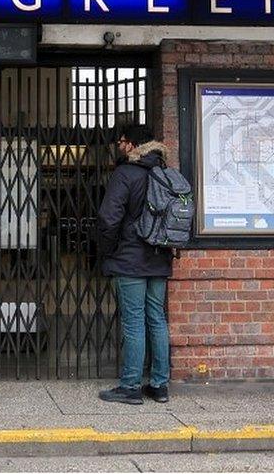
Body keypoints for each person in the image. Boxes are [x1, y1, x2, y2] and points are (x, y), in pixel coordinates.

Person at [96, 125, 173, 405]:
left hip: (130, 259)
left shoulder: (125, 174)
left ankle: (130, 386)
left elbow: (108, 217)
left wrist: (108, 251)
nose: (118, 145)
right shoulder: (164, 173)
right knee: (157, 318)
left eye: (121, 141)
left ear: (132, 145)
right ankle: (160, 385)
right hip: (160, 257)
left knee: (134, 322)